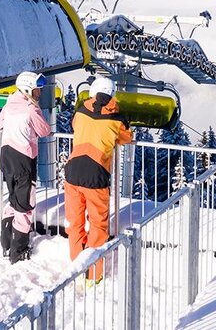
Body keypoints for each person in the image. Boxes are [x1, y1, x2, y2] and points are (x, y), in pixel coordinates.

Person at [63, 76, 132, 282]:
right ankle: (93, 274)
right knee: (97, 226)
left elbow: (75, 125)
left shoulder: (80, 112)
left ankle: (76, 269)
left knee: (74, 223)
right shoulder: (117, 119)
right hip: (97, 174)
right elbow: (127, 137)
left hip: (73, 172)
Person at [0, 71, 52, 264]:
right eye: (37, 90)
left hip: (6, 156)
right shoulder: (31, 109)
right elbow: (45, 130)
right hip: (24, 159)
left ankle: (6, 243)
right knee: (25, 205)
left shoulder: (10, 102)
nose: (40, 93)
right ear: (28, 89)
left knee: (13, 199)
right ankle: (18, 251)